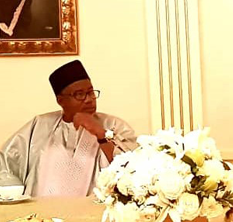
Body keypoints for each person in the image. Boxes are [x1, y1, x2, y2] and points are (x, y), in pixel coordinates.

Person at [0, 60, 137, 197]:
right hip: (41, 214)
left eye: (91, 92)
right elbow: (5, 162)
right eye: (79, 94)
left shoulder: (114, 125)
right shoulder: (39, 125)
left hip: (93, 212)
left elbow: (133, 170)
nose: (89, 99)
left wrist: (100, 133)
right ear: (61, 101)